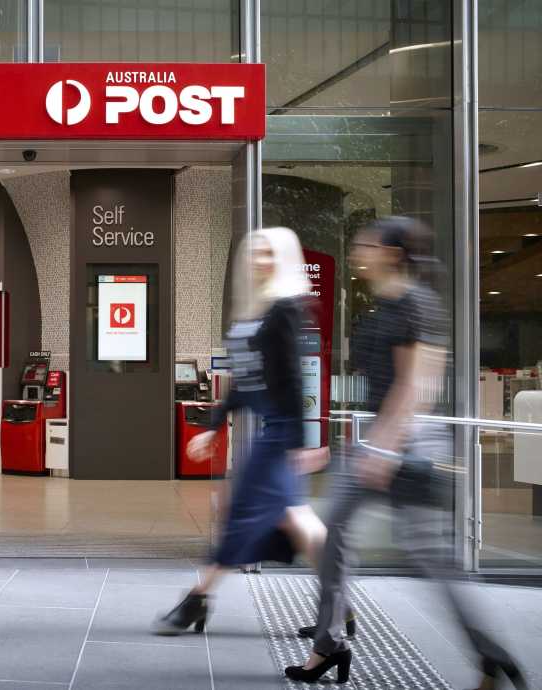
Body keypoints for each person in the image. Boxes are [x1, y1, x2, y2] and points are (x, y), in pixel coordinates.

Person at [287, 217, 526, 690]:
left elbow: (417, 384)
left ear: (392, 253)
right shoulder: (389, 302)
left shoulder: (414, 303)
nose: (358, 251)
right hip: (391, 438)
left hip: (402, 440)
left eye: (367, 244)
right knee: (344, 531)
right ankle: (330, 642)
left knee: (420, 553)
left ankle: (488, 652)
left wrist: (382, 447)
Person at [153, 227, 328, 635]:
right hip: (272, 428)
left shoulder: (285, 308)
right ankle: (338, 608)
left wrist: (303, 443)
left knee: (241, 514)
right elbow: (244, 381)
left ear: (283, 258)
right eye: (254, 253)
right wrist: (214, 426)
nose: (258, 261)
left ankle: (198, 599)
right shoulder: (257, 309)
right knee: (294, 520)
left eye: (269, 254)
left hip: (280, 432)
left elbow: (292, 381)